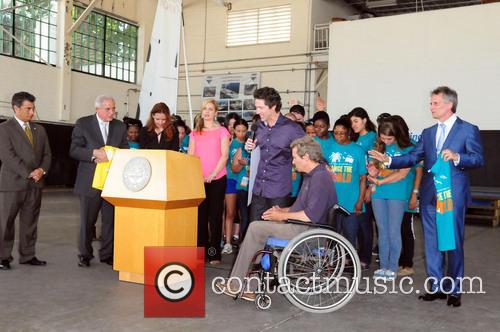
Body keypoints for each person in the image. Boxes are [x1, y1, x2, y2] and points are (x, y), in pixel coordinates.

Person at [369, 86, 484, 307]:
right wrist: (389, 161)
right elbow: (413, 156)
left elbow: (478, 159)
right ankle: (436, 286)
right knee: (431, 242)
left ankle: (454, 289)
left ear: (449, 104)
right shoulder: (428, 132)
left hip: (453, 195)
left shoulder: (468, 129)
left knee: (452, 241)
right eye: (430, 103)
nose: (430, 107)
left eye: (435, 103)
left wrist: (459, 156)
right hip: (430, 194)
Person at [217, 136, 337, 299]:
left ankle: (238, 284)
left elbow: (309, 215)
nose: (293, 163)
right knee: (261, 224)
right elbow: (303, 207)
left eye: (294, 158)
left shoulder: (319, 178)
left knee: (255, 228)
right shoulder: (313, 175)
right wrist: (282, 210)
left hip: (308, 232)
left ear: (306, 157)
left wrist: (282, 215)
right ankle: (247, 285)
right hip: (304, 227)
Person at [70, 95, 128, 267]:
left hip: (112, 181)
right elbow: (74, 150)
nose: (112, 112)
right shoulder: (83, 123)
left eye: (114, 109)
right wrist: (94, 154)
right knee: (88, 221)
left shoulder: (120, 126)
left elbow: (125, 149)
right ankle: (85, 254)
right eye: (108, 109)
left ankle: (107, 254)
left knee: (110, 221)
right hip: (89, 182)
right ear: (98, 109)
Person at [0, 92, 51, 270]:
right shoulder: (4, 129)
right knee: (6, 222)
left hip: (35, 184)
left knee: (30, 221)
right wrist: (29, 172)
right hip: (12, 184)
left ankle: (28, 255)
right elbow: (8, 157)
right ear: (16, 108)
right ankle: (3, 257)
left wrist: (41, 170)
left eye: (33, 108)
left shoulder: (40, 130)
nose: (32, 112)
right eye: (28, 108)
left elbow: (47, 155)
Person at [245, 87, 305, 222]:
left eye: (261, 108)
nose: (257, 111)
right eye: (256, 107)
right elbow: (258, 148)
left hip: (279, 190)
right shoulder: (259, 127)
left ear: (273, 107)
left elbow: (309, 152)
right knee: (255, 230)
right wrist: (252, 147)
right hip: (259, 189)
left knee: (276, 235)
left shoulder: (292, 129)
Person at [188, 99, 230, 264]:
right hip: (198, 180)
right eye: (204, 109)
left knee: (215, 217)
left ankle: (214, 253)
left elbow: (224, 155)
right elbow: (191, 156)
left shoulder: (222, 131)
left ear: (216, 113)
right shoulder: (194, 132)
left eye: (210, 109)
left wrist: (213, 173)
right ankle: (200, 252)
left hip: (217, 179)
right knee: (200, 217)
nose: (207, 112)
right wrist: (195, 175)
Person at [326, 118, 367, 248]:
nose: (338, 136)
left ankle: (350, 264)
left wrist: (360, 200)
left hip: (351, 201)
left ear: (348, 132)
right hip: (332, 200)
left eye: (342, 133)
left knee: (350, 236)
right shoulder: (328, 148)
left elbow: (363, 178)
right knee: (331, 235)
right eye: (335, 133)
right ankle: (332, 264)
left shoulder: (358, 150)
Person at [349, 107, 378, 269]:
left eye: (356, 121)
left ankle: (365, 257)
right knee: (356, 222)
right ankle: (357, 255)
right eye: (351, 122)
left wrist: (369, 188)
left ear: (365, 120)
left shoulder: (373, 138)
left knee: (365, 224)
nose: (353, 125)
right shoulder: (354, 138)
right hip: (354, 185)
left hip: (366, 186)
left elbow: (375, 165)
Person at [222, 118, 248, 254]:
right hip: (231, 179)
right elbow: (230, 164)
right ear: (234, 130)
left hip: (245, 182)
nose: (241, 133)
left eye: (244, 130)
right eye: (238, 130)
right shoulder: (231, 144)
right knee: (230, 212)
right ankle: (227, 242)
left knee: (243, 213)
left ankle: (243, 240)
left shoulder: (250, 145)